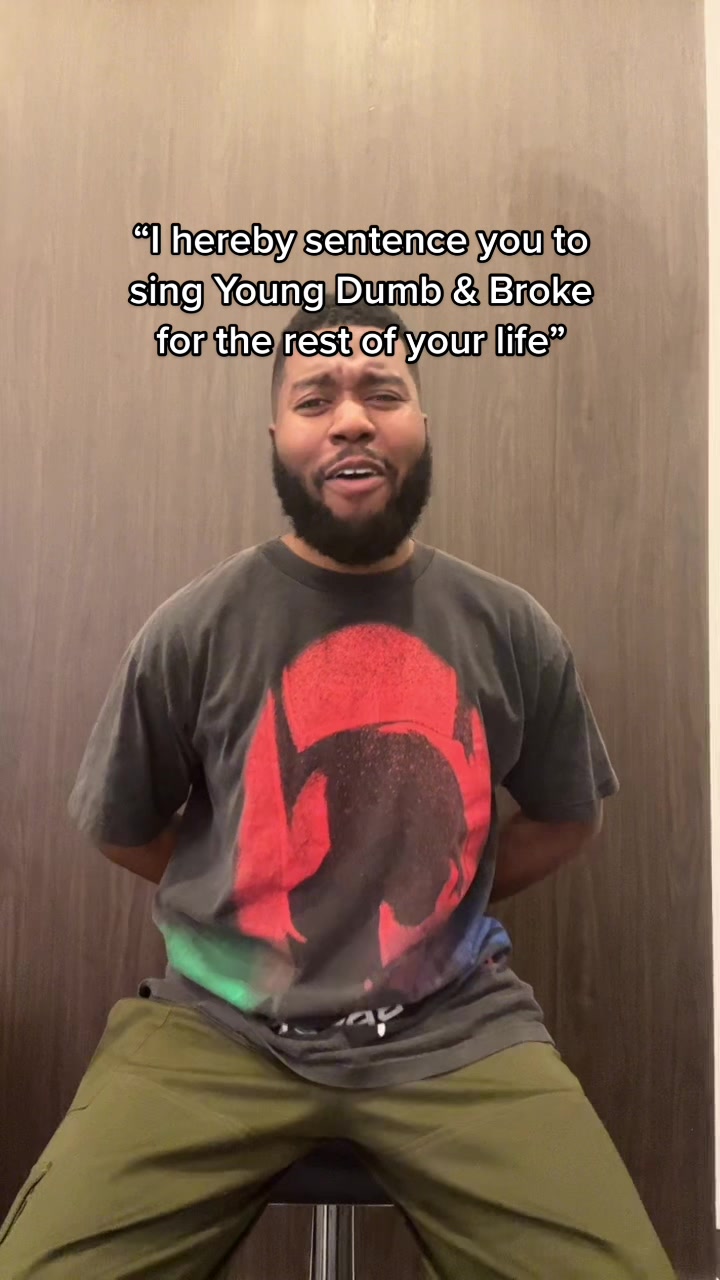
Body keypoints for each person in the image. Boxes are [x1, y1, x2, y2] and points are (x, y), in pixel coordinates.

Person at [0, 297, 676, 1279]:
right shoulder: (193, 628)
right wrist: (246, 896)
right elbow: (124, 824)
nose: (352, 418)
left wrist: (441, 900)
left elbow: (567, 818)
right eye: (316, 398)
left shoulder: (510, 628)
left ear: (421, 426)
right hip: (217, 1032)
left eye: (382, 393)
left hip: (456, 1029)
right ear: (278, 437)